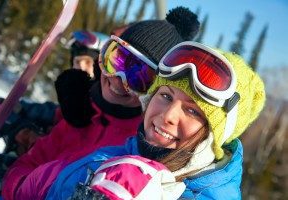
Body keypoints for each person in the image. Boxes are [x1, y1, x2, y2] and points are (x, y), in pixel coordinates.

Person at [2, 7, 200, 200]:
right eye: (116, 61)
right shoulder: (82, 112)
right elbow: (24, 167)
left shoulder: (137, 145)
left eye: (139, 77)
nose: (118, 80)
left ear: (156, 91)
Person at [45, 41, 266, 199]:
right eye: (166, 96)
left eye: (193, 111)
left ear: (215, 134)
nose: (168, 115)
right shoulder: (109, 155)